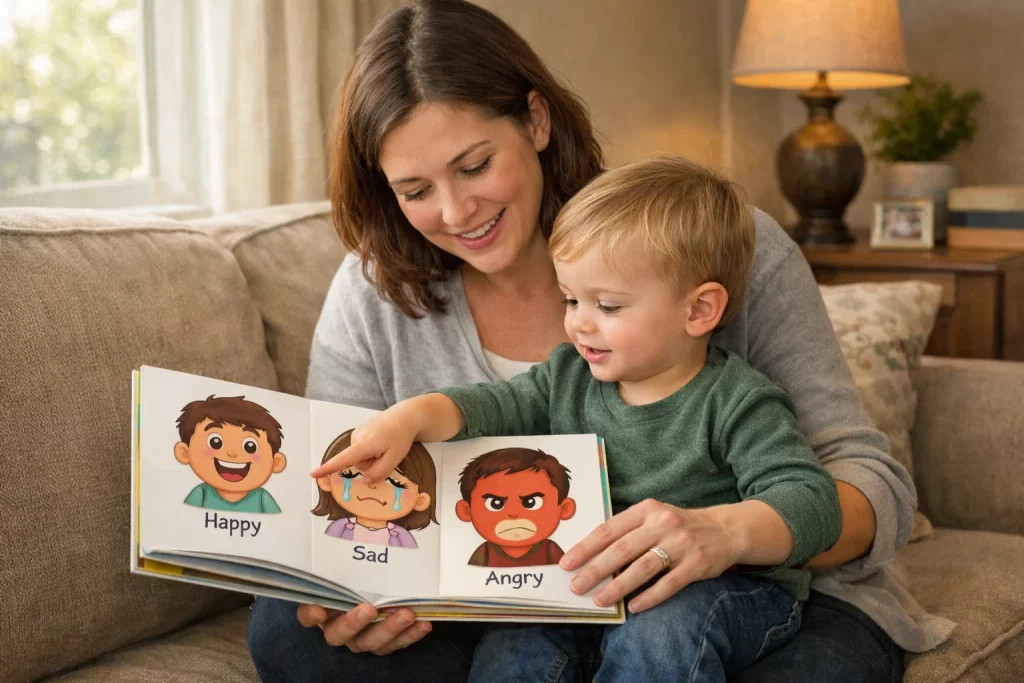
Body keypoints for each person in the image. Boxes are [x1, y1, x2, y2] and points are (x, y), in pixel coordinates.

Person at [248, 1, 943, 681]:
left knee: (699, 645)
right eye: (414, 188)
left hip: (743, 597)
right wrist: (355, 585)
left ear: (537, 120)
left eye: (474, 164)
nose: (456, 212)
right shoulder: (376, 291)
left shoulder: (716, 246)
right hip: (524, 607)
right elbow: (352, 497)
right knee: (288, 627)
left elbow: (865, 485)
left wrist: (726, 533)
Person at [313, 156, 843, 680]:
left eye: (607, 307)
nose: (579, 325)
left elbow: (810, 498)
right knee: (515, 640)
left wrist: (729, 532)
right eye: (570, 300)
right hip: (588, 585)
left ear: (699, 310)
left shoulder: (740, 401)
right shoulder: (569, 376)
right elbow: (488, 406)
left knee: (661, 629)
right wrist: (410, 417)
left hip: (730, 588)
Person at [312, 429, 437, 549]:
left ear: (420, 501)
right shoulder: (340, 528)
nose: (372, 484)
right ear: (326, 481)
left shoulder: (401, 537)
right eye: (353, 475)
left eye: (395, 483)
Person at [174, 394, 286, 513]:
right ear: (184, 453)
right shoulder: (201, 494)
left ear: (276, 463)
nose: (232, 453)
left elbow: (277, 522)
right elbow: (186, 518)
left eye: (250, 446)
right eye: (215, 442)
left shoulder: (262, 498)